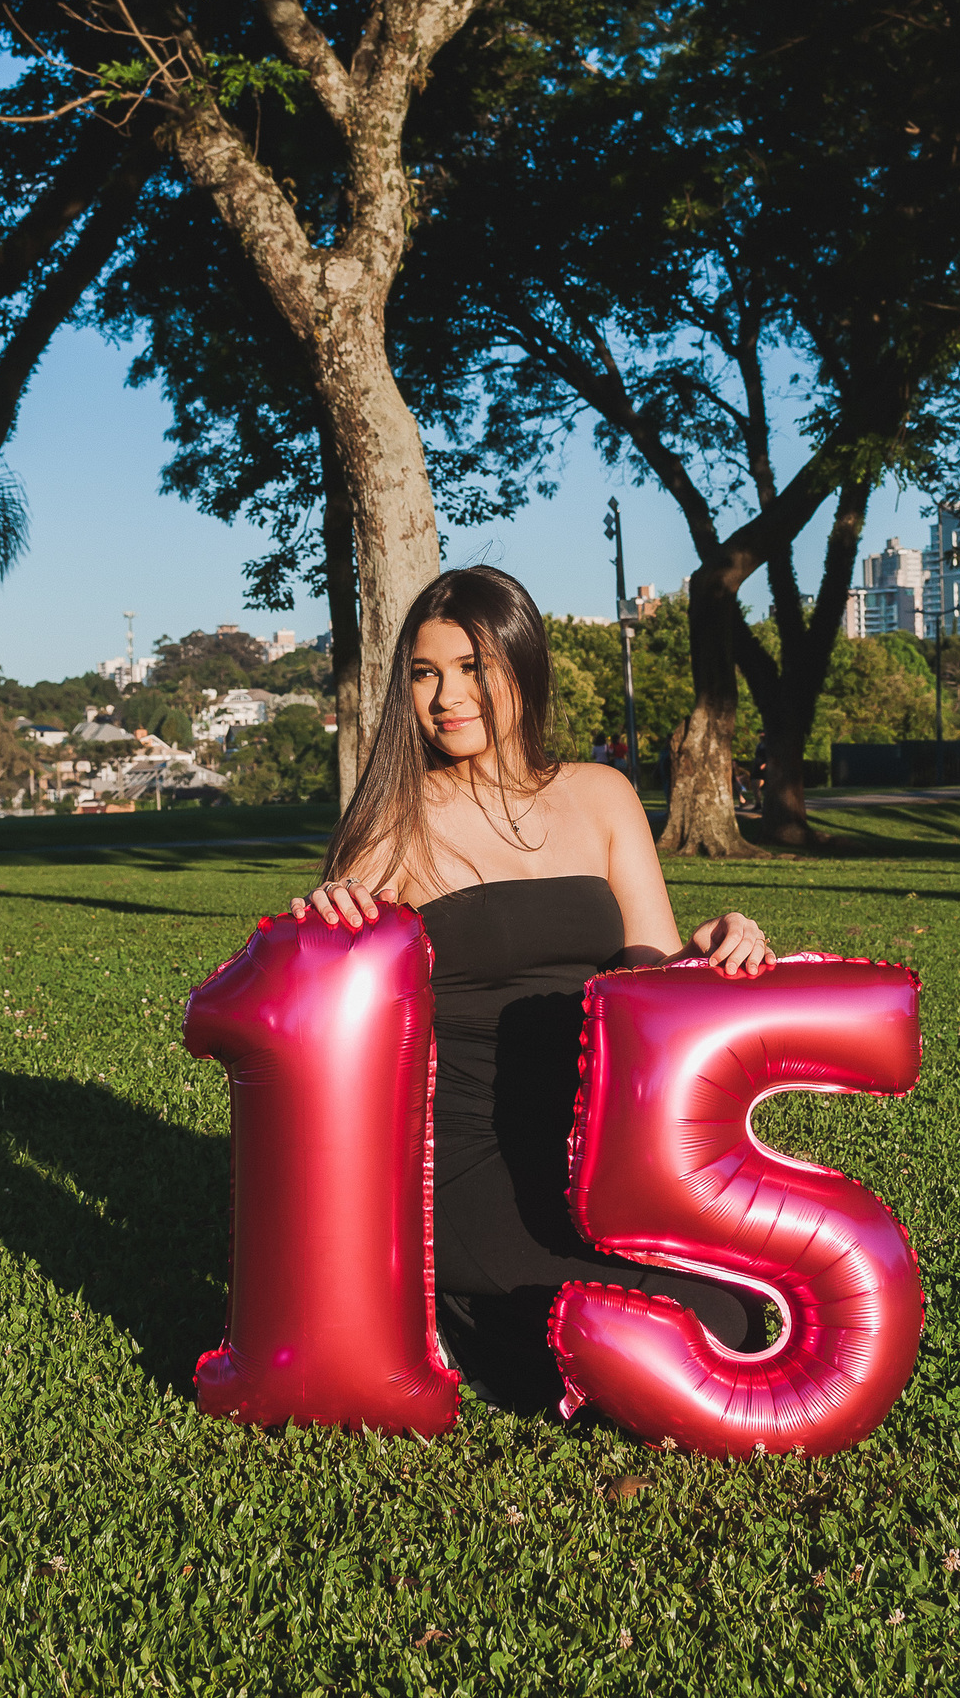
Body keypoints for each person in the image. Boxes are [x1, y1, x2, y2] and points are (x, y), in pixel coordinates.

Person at [290, 568, 775, 1410]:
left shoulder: (602, 796)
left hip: (593, 1149)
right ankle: (458, 1315)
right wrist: (324, 923)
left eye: (472, 667)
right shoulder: (395, 823)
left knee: (736, 1309)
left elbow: (652, 973)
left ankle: (494, 1320)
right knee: (691, 1332)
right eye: (425, 672)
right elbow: (322, 1001)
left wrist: (716, 947)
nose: (447, 696)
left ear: (523, 663)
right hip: (468, 1158)